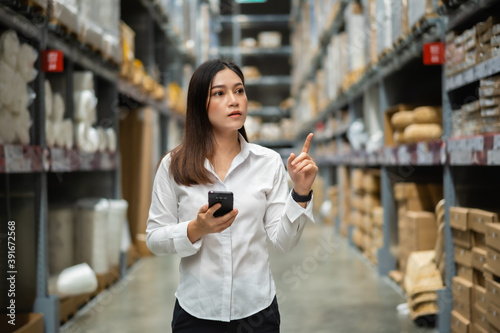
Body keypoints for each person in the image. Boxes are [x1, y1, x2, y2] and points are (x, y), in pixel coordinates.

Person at [146, 58, 318, 333]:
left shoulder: (268, 162)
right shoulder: (174, 165)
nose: (234, 100)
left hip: (257, 312)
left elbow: (283, 242)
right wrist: (194, 229)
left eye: (239, 91)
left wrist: (300, 192)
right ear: (200, 104)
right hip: (197, 313)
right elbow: (154, 239)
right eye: (220, 93)